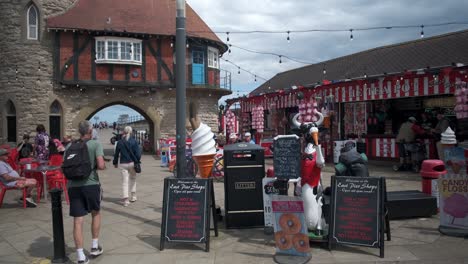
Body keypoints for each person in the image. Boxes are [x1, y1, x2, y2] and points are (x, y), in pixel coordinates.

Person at [67, 121, 105, 264]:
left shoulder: (70, 146)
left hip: (73, 186)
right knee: (95, 213)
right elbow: (101, 165)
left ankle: (81, 257)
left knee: (78, 220)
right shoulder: (95, 144)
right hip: (91, 184)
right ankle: (94, 247)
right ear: (89, 131)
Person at [113, 126, 141, 207]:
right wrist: (137, 160)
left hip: (123, 163)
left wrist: (115, 163)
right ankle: (133, 196)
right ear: (131, 132)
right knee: (133, 179)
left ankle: (126, 200)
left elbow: (116, 154)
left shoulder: (120, 142)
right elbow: (138, 153)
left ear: (124, 132)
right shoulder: (134, 141)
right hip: (132, 163)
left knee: (125, 182)